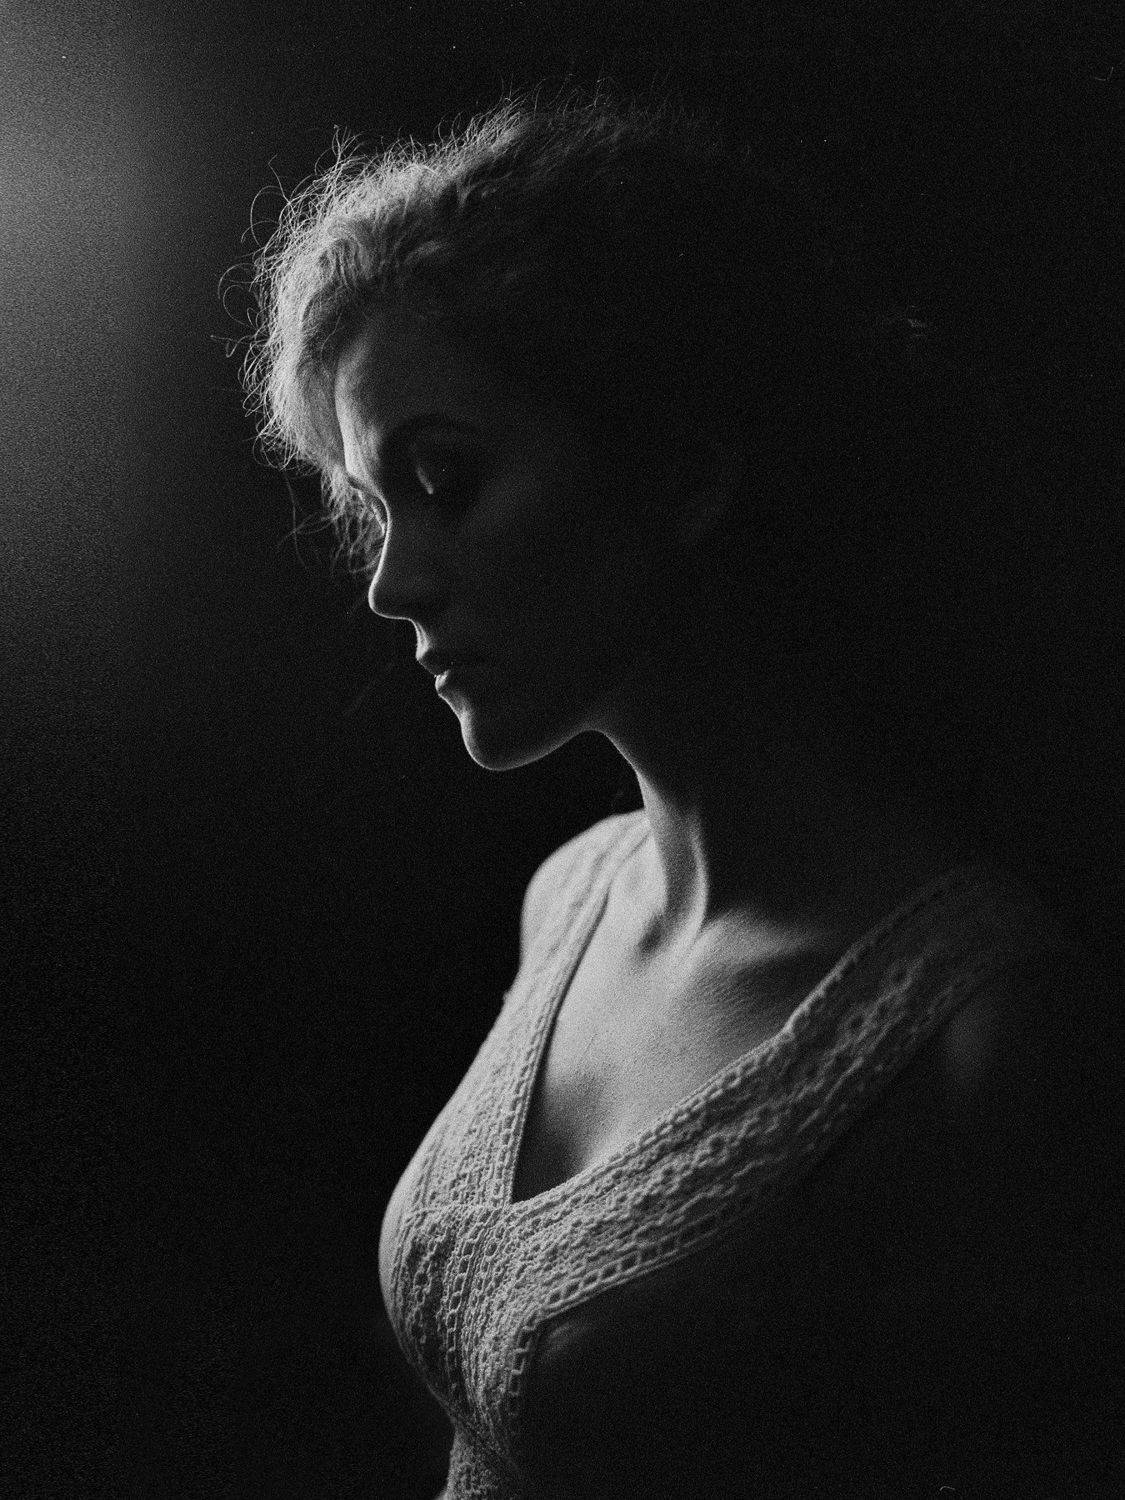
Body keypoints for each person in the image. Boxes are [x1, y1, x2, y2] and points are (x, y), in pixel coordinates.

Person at [242, 80, 1119, 1499]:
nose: (392, 584)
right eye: (373, 504)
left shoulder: (984, 1040)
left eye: (446, 478)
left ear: (681, 468)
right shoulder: (570, 900)